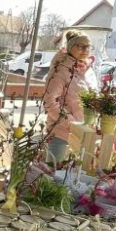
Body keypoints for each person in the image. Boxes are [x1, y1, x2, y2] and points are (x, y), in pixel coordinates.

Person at [42, 30, 98, 163]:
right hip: (61, 134)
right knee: (53, 174)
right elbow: (50, 102)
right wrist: (72, 124)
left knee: (73, 177)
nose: (85, 50)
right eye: (80, 46)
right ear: (70, 47)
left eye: (88, 46)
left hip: (82, 133)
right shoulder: (61, 71)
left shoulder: (87, 70)